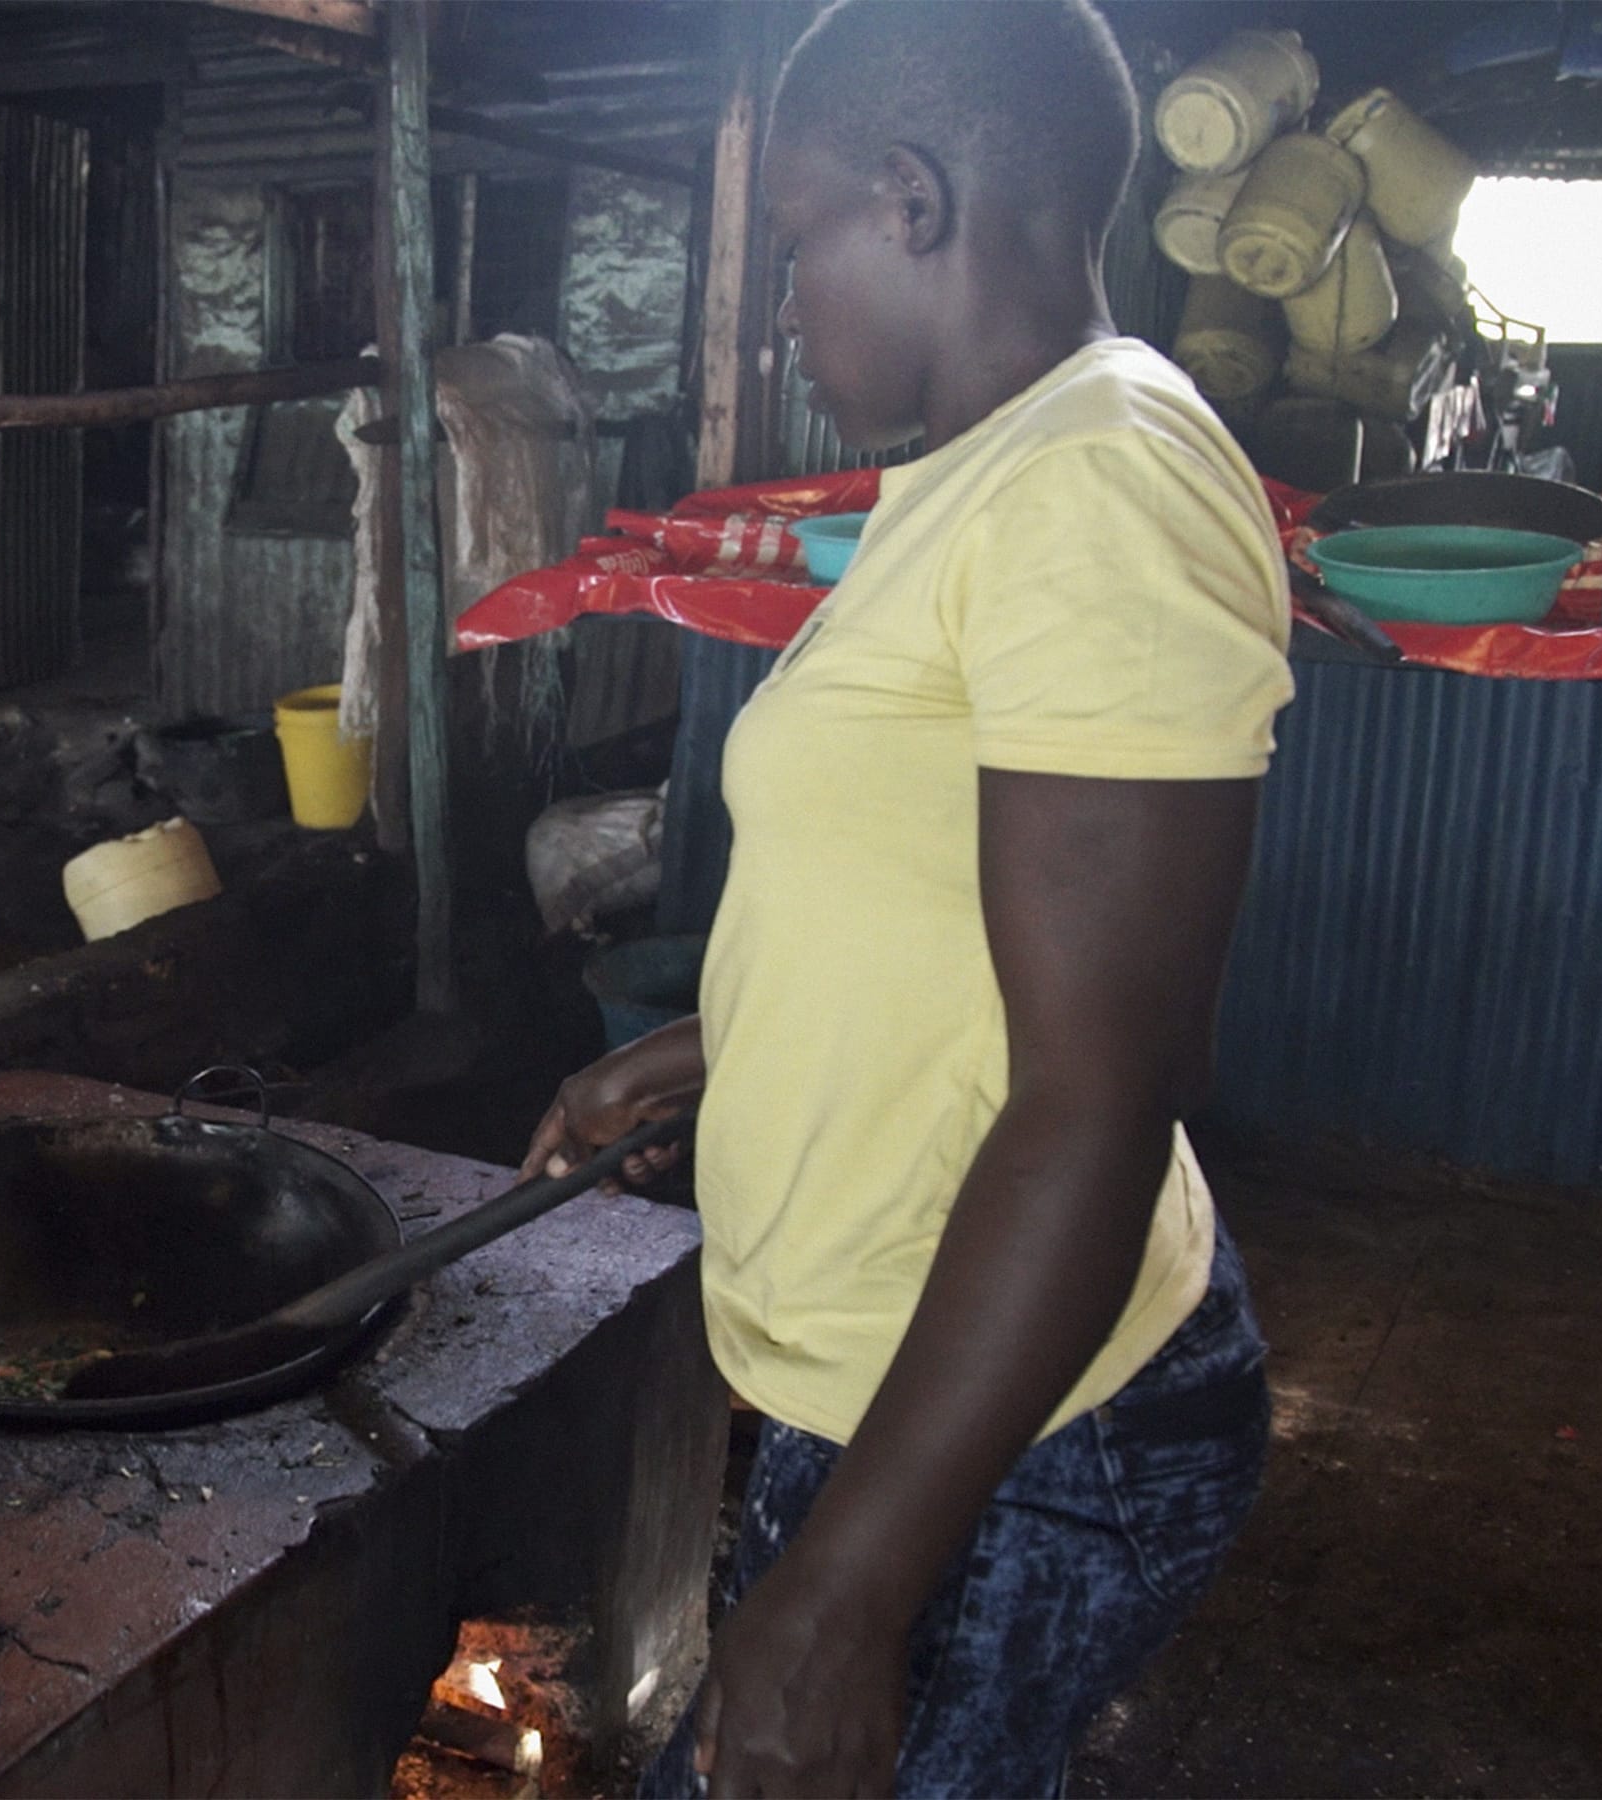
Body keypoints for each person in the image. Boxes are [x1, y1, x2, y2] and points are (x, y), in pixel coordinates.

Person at [518, 3, 1289, 1794]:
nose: (786, 312)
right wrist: (724, 1046)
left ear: (913, 201)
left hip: (1018, 1441)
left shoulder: (1098, 486)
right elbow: (947, 909)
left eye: (796, 247)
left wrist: (848, 1596)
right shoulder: (996, 475)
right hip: (910, 1385)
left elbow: (1102, 1095)